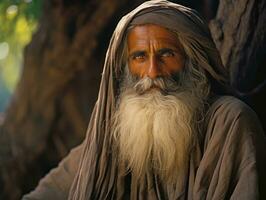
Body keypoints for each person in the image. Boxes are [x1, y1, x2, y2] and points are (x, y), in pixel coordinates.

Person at [23, 0, 266, 199]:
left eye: (166, 54)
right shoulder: (119, 131)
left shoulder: (230, 121)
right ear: (126, 67)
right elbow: (50, 192)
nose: (152, 71)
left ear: (193, 60)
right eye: (140, 57)